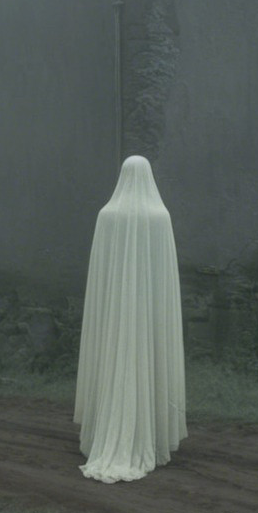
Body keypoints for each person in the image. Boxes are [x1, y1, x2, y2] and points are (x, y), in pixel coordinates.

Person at [73, 154, 187, 483]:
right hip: (149, 318)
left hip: (113, 318)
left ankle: (107, 433)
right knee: (149, 358)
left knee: (112, 359)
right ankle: (148, 434)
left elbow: (101, 280)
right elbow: (164, 282)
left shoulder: (106, 217)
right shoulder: (160, 217)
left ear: (122, 177)